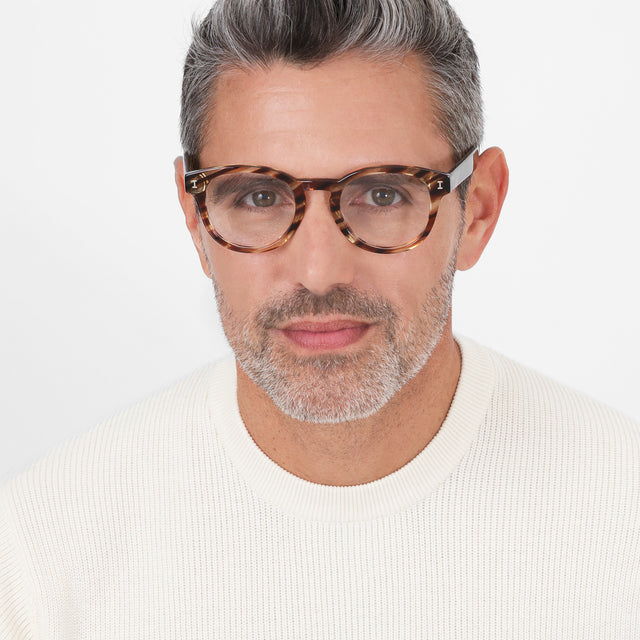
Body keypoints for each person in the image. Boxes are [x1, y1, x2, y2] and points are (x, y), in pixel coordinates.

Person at [1, 0, 638, 637]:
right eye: (258, 196)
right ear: (195, 220)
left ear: (478, 211)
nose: (318, 271)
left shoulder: (623, 522)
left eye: (383, 194)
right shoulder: (46, 550)